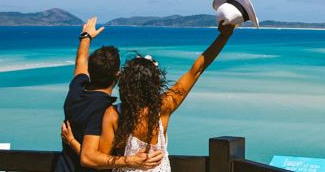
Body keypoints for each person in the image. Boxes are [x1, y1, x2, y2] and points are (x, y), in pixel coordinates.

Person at [62, 21, 237, 171]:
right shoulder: (165, 106)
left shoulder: (113, 115)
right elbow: (197, 69)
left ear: (124, 84)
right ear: (155, 83)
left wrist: (73, 142)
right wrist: (224, 36)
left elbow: (94, 159)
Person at [57, 16, 163, 172]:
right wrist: (131, 161)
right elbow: (89, 157)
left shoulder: (76, 90)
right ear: (117, 75)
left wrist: (86, 37)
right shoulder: (104, 110)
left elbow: (80, 62)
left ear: (90, 71)